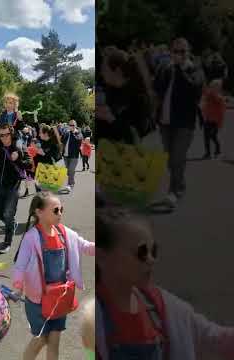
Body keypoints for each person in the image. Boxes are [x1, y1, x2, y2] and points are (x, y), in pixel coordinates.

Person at [95, 207, 234, 359]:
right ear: (101, 257)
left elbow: (215, 339)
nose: (151, 259)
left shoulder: (161, 305)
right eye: (141, 252)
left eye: (153, 251)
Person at [12, 192, 95, 360]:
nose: (60, 214)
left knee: (55, 340)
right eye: (55, 210)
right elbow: (20, 266)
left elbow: (86, 246)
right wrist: (18, 288)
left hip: (60, 298)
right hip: (39, 301)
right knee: (41, 339)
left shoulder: (66, 234)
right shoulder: (31, 238)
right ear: (39, 212)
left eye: (61, 209)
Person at [154, 38, 204, 209]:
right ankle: (179, 186)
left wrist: (180, 69)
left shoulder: (194, 70)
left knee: (177, 158)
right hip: (165, 122)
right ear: (171, 52)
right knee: (171, 159)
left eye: (183, 52)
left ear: (188, 52)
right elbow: (157, 89)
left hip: (184, 124)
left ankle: (173, 193)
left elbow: (194, 91)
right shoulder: (167, 69)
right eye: (176, 51)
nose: (179, 55)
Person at [0, 123, 32, 253]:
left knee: (8, 213)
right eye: (2, 135)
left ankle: (7, 242)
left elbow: (29, 165)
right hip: (0, 185)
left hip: (14, 186)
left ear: (11, 133)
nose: (5, 137)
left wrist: (18, 159)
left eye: (7, 134)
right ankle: (11, 224)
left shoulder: (19, 147)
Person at [33, 125, 63, 193]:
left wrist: (44, 154)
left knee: (46, 197)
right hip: (38, 173)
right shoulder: (41, 141)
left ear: (46, 134)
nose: (39, 134)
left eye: (40, 133)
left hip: (48, 174)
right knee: (39, 195)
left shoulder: (53, 144)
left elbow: (55, 159)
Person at [201, 79, 225, 159]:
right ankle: (207, 153)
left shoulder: (219, 98)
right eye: (212, 86)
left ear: (218, 88)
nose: (212, 87)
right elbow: (204, 91)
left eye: (214, 86)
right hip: (208, 119)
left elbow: (221, 111)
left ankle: (217, 149)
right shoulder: (209, 94)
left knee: (212, 136)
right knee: (206, 137)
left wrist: (220, 123)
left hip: (215, 121)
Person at [61, 121, 83, 192]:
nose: (71, 126)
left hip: (74, 156)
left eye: (73, 125)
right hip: (66, 155)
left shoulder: (78, 133)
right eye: (70, 125)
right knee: (68, 171)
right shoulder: (67, 133)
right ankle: (72, 182)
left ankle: (69, 185)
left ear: (75, 126)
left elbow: (78, 141)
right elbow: (62, 140)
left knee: (71, 170)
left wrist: (73, 133)